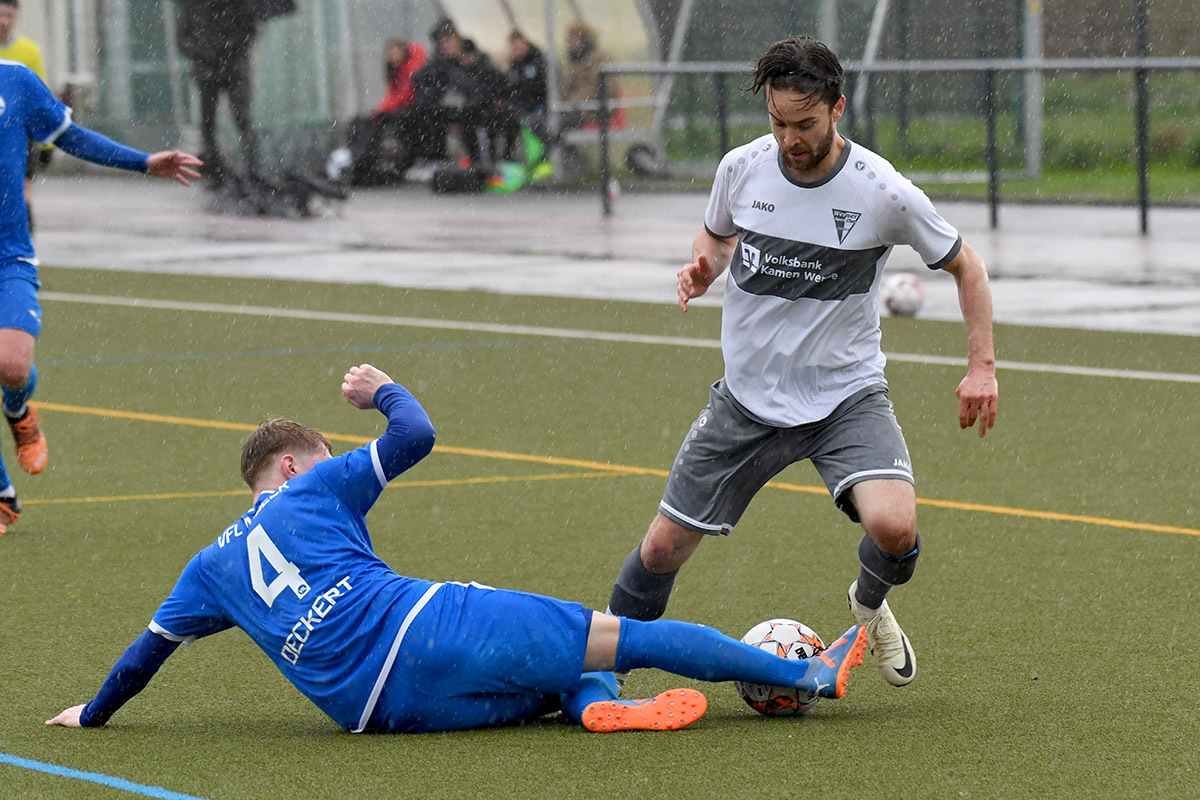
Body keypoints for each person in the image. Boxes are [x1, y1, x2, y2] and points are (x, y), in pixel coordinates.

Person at [45, 364, 868, 734]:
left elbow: (143, 658)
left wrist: (96, 713)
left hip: (377, 714)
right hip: (425, 628)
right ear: (291, 466)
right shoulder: (311, 488)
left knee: (556, 681)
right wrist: (381, 391)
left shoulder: (209, 569)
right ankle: (806, 674)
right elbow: (418, 433)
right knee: (629, 634)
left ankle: (592, 705)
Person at [604, 36, 998, 690]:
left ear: (838, 108)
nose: (789, 138)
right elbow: (717, 233)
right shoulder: (742, 167)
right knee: (661, 549)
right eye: (778, 122)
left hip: (845, 397)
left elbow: (967, 266)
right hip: (747, 400)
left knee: (895, 529)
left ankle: (868, 604)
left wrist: (980, 367)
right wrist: (706, 265)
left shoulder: (883, 191)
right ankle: (596, 669)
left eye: (805, 124)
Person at [0, 62, 202, 537]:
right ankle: (3, 492)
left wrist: (141, 161)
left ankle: (18, 410)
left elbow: (71, 137)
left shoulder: (16, 80)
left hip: (9, 255)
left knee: (12, 364)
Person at [176, 0, 260, 182]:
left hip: (234, 70)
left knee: (242, 119)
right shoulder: (193, 6)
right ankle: (215, 170)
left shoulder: (239, 6)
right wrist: (202, 50)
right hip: (207, 71)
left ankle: (253, 168)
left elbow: (251, 32)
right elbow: (182, 39)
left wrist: (231, 47)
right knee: (207, 123)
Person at [0, 0, 51, 227]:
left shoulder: (30, 52)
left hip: (20, 133)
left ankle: (23, 253)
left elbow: (42, 97)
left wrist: (46, 144)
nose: (4, 21)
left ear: (17, 17)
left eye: (9, 15)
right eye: (0, 14)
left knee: (21, 194)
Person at [558, 21, 615, 131]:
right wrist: (563, 101)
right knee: (547, 122)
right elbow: (564, 89)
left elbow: (605, 88)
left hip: (595, 111)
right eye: (570, 40)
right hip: (574, 110)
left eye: (575, 39)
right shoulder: (572, 63)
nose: (571, 43)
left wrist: (576, 100)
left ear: (585, 40)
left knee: (558, 126)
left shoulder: (599, 59)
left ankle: (559, 145)